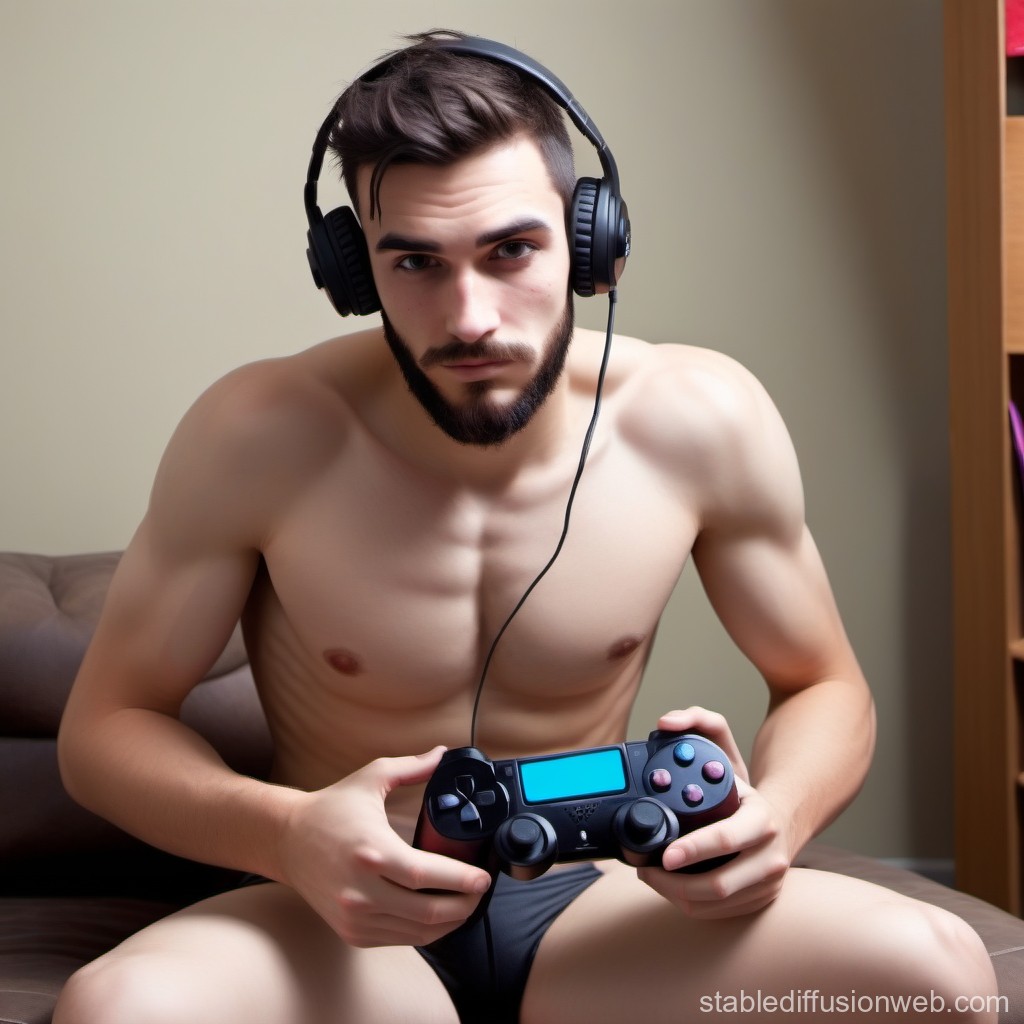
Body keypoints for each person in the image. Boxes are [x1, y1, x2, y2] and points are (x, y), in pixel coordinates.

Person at [54, 30, 998, 1024]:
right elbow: (107, 729)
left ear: (591, 243)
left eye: (510, 250)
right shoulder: (256, 435)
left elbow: (824, 683)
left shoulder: (697, 419)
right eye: (415, 261)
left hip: (596, 907)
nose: (469, 316)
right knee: (118, 1010)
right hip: (339, 919)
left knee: (936, 972)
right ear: (354, 269)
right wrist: (287, 834)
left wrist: (779, 815)